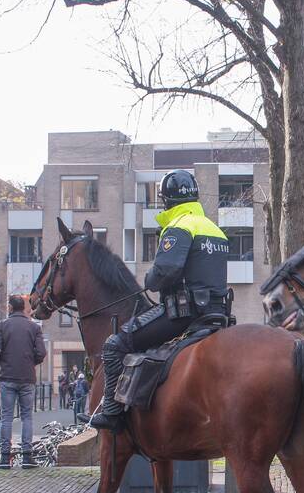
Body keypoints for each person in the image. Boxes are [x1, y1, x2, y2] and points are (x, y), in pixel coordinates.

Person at [90, 170, 230, 431]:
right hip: (218, 314)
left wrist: (149, 279)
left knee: (114, 344)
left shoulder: (179, 226)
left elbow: (166, 271)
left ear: (167, 201)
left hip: (183, 315)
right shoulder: (214, 229)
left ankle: (112, 413)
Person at [0, 294, 47, 469]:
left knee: (6, 417)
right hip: (27, 377)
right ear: (23, 308)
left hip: (7, 377)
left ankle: (5, 457)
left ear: (10, 308)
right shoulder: (34, 328)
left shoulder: (2, 326)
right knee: (27, 416)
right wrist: (30, 363)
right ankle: (27, 456)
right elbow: (41, 353)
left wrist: (4, 363)